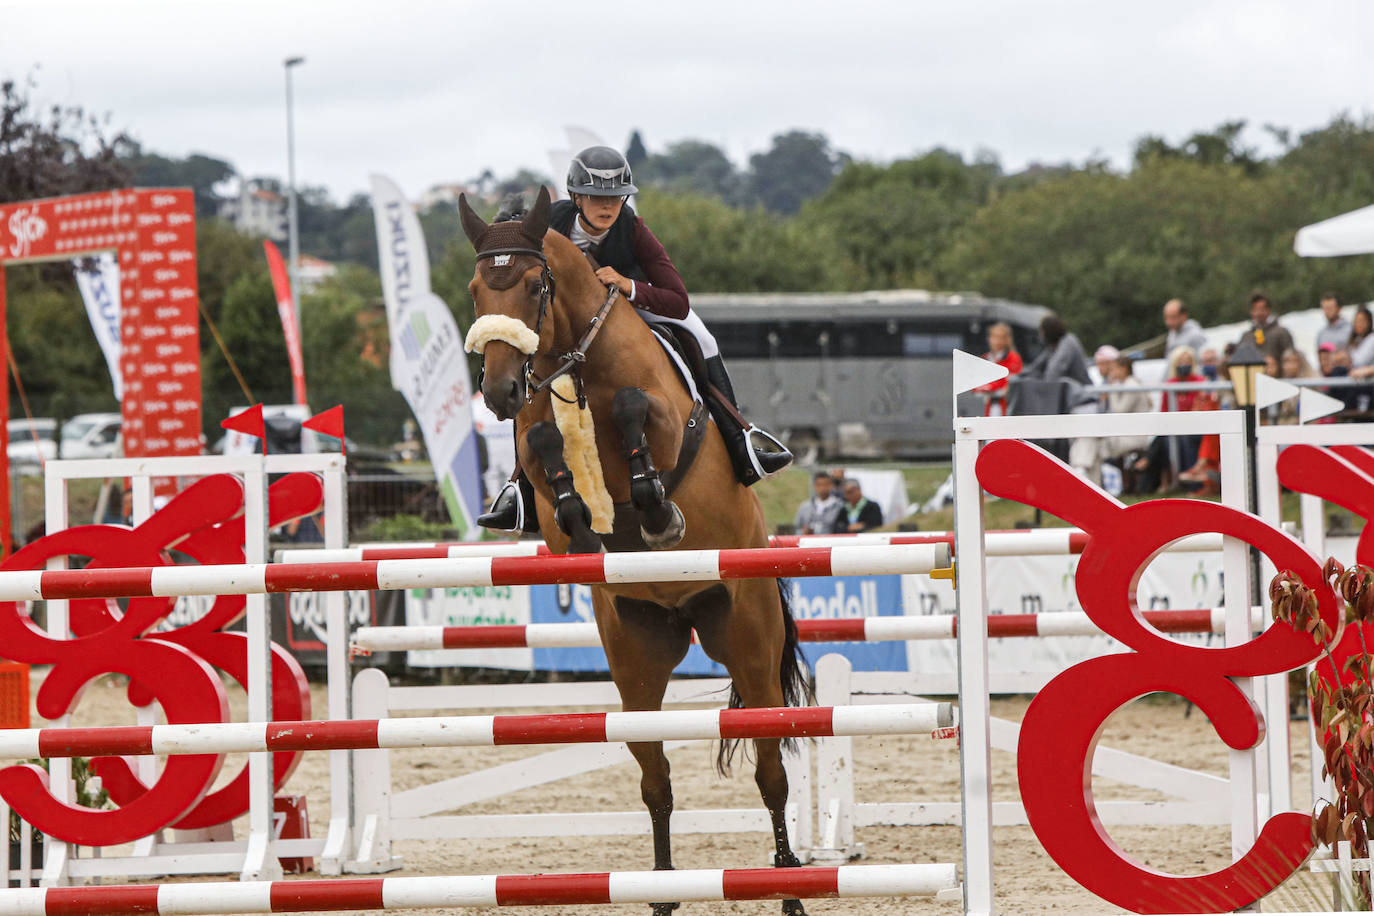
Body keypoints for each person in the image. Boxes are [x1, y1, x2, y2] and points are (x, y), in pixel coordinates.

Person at [478, 146, 791, 530]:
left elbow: (677, 300)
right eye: (596, 196)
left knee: (702, 336)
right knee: (524, 366)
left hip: (630, 307)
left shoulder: (633, 229)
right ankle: (520, 487)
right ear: (577, 197)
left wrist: (629, 285)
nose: (606, 206)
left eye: (614, 197)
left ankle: (741, 437)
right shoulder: (553, 226)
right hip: (565, 320)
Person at [1068, 355, 1153, 485]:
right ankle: (1088, 479)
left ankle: (1081, 472)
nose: (1111, 373)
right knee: (1092, 445)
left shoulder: (1131, 385)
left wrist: (1111, 392)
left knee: (1091, 444)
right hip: (1125, 434)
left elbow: (1120, 411)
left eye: (1114, 369)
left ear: (1123, 369)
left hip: (1132, 436)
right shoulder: (1129, 384)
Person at [1020, 313, 1092, 386]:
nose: (1039, 334)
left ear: (1048, 331)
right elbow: (1035, 368)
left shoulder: (1068, 342)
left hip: (1082, 393)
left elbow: (1054, 372)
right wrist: (1018, 377)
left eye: (1041, 330)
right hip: (1068, 393)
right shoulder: (1052, 347)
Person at [974, 322, 1022, 416]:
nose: (997, 341)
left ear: (1006, 339)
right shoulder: (986, 358)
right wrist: (988, 387)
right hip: (988, 404)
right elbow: (976, 385)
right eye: (994, 337)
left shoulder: (1013, 358)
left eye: (1000, 337)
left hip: (1008, 406)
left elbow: (1010, 384)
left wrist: (990, 386)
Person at [1235, 292, 1293, 363]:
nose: (1259, 313)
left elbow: (1290, 355)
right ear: (1251, 312)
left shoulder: (1281, 332)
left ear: (1268, 310)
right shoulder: (1246, 336)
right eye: (1255, 310)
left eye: (1262, 309)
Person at [1314, 292, 1351, 360]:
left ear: (1339, 308)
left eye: (1330, 308)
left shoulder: (1350, 330)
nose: (1327, 311)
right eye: (1325, 308)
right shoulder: (1321, 334)